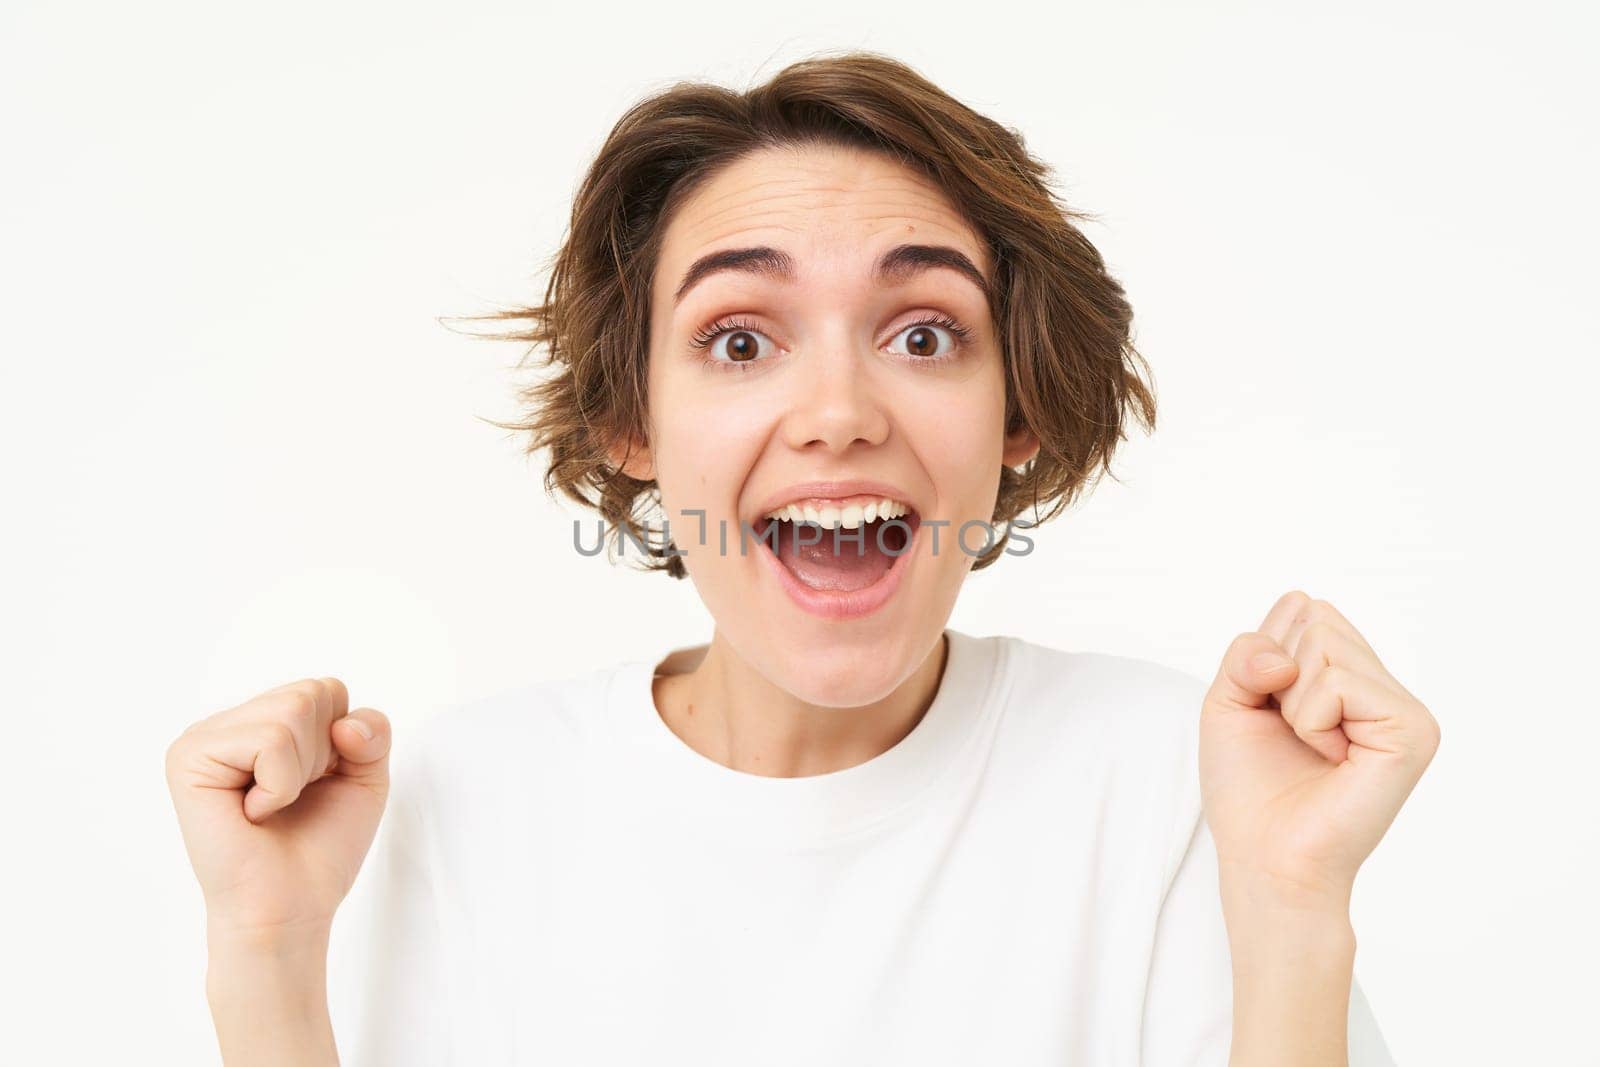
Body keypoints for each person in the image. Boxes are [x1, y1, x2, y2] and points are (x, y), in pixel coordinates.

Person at [164, 50, 1440, 1066]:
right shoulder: (453, 804)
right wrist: (268, 958)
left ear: (1018, 410)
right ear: (631, 421)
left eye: (925, 332)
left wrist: (1289, 909)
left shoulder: (1180, 785)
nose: (838, 409)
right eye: (737, 339)